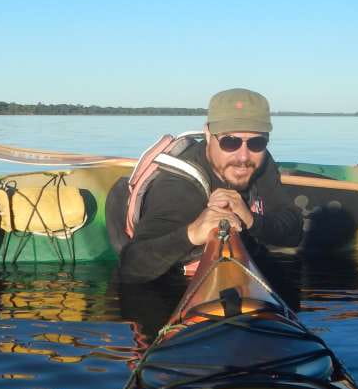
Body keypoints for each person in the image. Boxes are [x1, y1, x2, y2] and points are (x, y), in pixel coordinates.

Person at [117, 88, 304, 282]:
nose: (243, 157)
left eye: (257, 142)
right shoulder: (177, 188)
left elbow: (294, 231)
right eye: (230, 142)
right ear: (208, 133)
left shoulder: (258, 160)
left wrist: (251, 220)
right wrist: (193, 233)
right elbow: (131, 265)